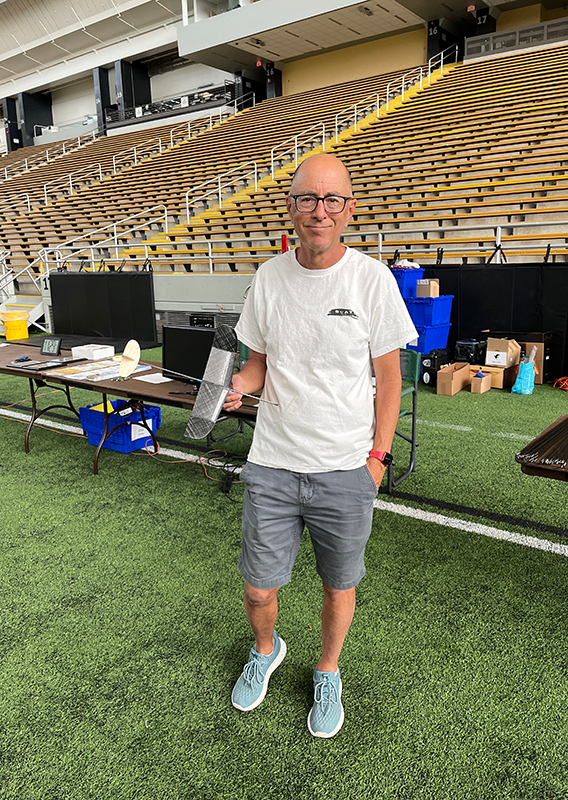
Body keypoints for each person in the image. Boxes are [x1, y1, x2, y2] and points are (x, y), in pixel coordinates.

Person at [223, 153, 417, 738]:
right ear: (291, 207)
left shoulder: (371, 280)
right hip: (273, 463)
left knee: (340, 585)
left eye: (333, 199)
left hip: (344, 470)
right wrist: (237, 386)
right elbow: (258, 366)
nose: (320, 210)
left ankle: (327, 668)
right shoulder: (268, 278)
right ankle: (267, 650)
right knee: (259, 587)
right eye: (308, 198)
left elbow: (390, 380)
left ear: (349, 210)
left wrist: (377, 460)